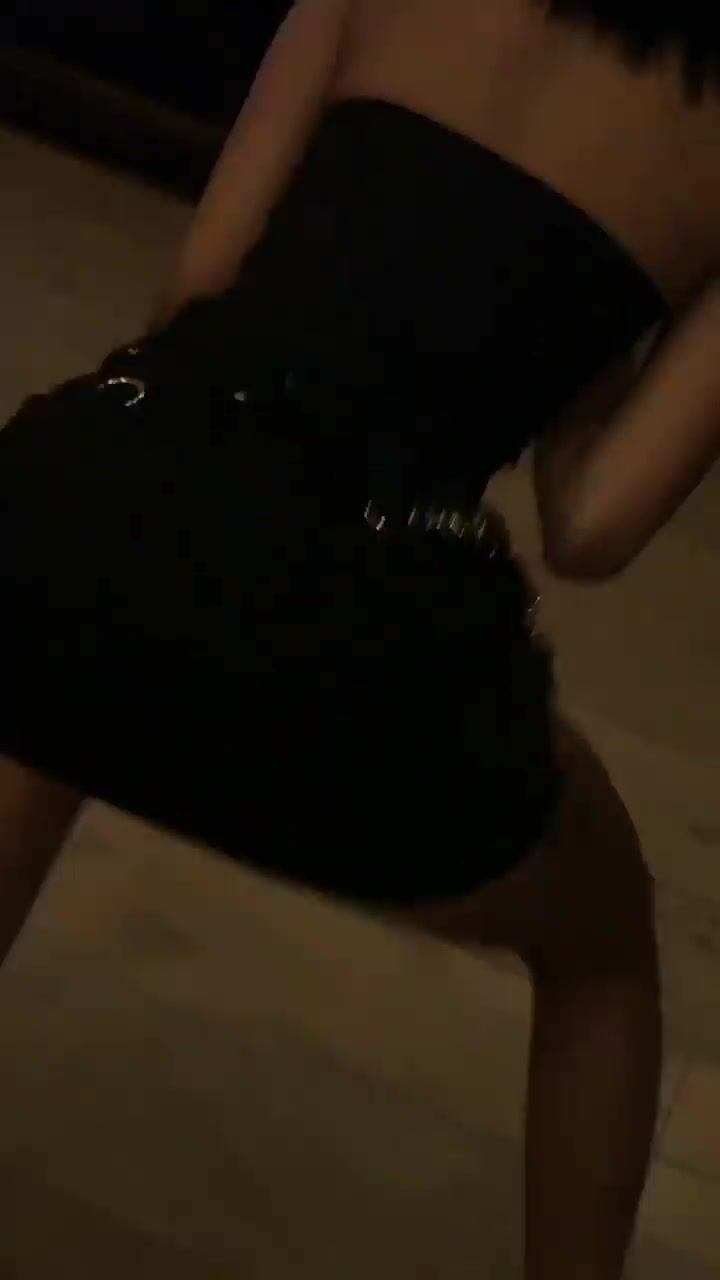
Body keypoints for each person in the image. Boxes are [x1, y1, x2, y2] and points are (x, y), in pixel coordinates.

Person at [1, 2, 718, 1275]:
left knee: (69, 665)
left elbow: (194, 292)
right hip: (364, 641)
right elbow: (591, 527)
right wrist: (586, 366)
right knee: (604, 948)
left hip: (94, 492)